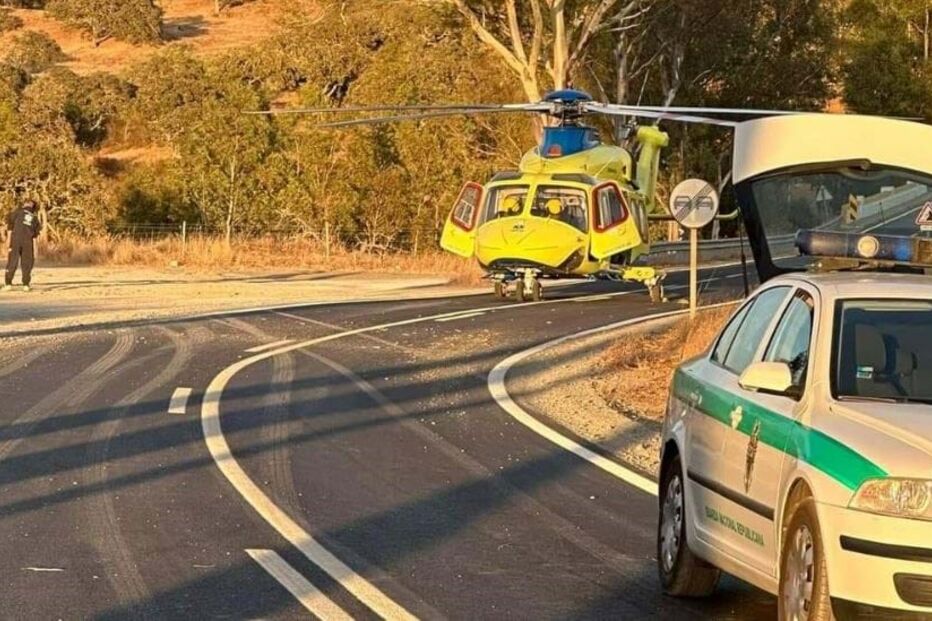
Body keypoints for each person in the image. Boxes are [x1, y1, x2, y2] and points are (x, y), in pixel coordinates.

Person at [3, 200, 42, 292]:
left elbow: (9, 229)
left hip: (15, 240)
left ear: (24, 204)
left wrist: (8, 242)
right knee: (27, 263)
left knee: (12, 261)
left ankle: (8, 284)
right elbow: (35, 237)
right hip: (28, 242)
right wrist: (35, 250)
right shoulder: (35, 218)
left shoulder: (15, 213)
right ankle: (26, 285)